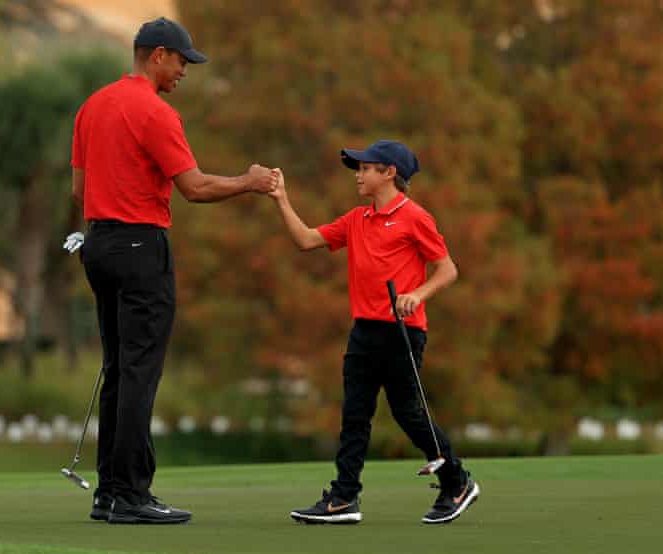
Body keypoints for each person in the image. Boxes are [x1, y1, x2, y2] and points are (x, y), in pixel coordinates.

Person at [65, 17, 278, 525]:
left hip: (99, 244)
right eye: (182, 60)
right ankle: (132, 495)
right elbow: (196, 188)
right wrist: (249, 182)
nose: (185, 70)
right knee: (140, 371)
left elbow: (79, 190)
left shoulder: (92, 106)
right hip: (141, 245)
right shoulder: (155, 113)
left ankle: (109, 493)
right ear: (157, 55)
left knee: (118, 368)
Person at [269, 140, 480, 525]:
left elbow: (447, 269)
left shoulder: (415, 217)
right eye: (358, 168)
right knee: (354, 415)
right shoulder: (356, 219)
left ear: (389, 173)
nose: (358, 174)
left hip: (402, 332)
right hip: (364, 331)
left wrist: (417, 294)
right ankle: (344, 497)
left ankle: (457, 482)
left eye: (365, 168)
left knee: (408, 415)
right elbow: (306, 240)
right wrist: (281, 198)